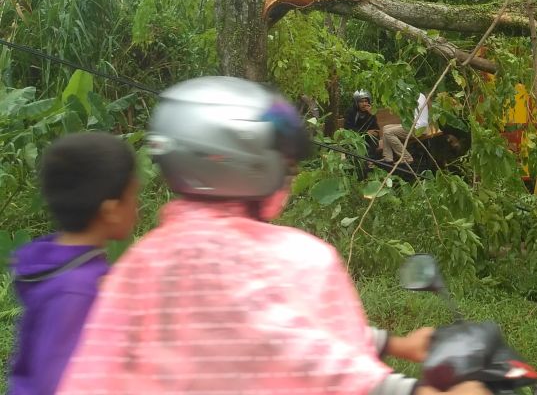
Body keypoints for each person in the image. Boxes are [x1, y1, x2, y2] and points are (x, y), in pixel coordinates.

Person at [57, 76, 485, 395]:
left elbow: (89, 374)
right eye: (283, 159)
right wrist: (405, 389)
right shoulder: (298, 256)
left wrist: (393, 342)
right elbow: (293, 345)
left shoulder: (137, 263)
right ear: (251, 162)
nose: (290, 171)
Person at [7, 131, 139, 395]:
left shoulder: (65, 267)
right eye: (134, 196)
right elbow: (60, 383)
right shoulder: (77, 290)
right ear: (111, 211)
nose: (138, 208)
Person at [378, 91, 434, 167]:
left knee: (388, 132)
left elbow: (404, 114)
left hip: (418, 128)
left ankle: (406, 157)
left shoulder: (407, 96)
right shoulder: (418, 94)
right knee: (385, 128)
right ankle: (388, 158)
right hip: (416, 125)